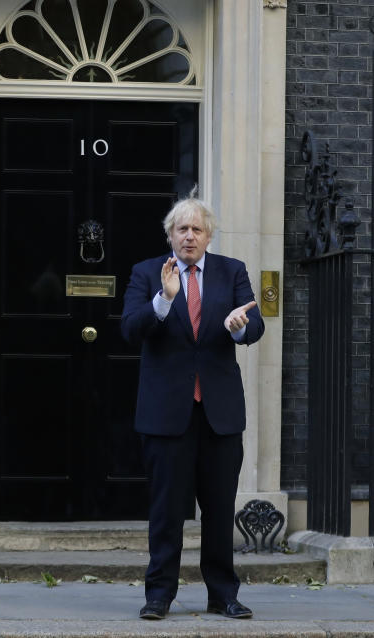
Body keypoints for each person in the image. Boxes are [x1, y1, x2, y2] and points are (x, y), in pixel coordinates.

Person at [120, 195, 265, 620]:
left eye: (196, 229)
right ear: (170, 235)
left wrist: (241, 329)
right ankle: (159, 594)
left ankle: (223, 594)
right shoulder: (148, 273)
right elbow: (130, 328)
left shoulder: (231, 271)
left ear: (208, 235)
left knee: (220, 509)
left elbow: (253, 322)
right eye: (181, 229)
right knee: (167, 510)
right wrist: (163, 302)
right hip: (167, 415)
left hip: (218, 413)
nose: (189, 236)